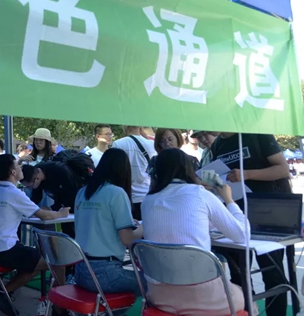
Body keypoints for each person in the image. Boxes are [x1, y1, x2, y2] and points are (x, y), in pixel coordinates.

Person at [141, 148, 247, 315]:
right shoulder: (200, 194)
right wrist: (229, 200)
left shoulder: (147, 201)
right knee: (242, 295)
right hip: (204, 297)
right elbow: (241, 235)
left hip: (160, 296)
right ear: (189, 169)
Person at [210, 133, 291, 316]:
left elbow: (283, 169)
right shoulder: (217, 145)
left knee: (272, 274)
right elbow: (220, 179)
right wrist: (210, 183)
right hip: (236, 216)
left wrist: (246, 174)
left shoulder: (257, 134)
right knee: (239, 275)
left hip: (267, 214)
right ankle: (248, 311)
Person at [0, 154, 69, 316]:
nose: (21, 168)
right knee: (58, 262)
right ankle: (61, 308)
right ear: (13, 172)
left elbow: (32, 210)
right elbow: (43, 215)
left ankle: (4, 292)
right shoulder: (14, 193)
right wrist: (61, 213)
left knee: (35, 265)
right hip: (6, 248)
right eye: (18, 165)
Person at [74, 148, 142, 301]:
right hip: (106, 273)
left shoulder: (82, 192)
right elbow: (127, 239)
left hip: (80, 270)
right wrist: (144, 227)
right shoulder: (117, 193)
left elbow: (96, 221)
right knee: (154, 285)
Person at [20, 153, 92, 237]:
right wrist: (32, 210)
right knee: (65, 229)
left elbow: (70, 197)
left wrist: (51, 209)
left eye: (29, 186)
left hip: (77, 199)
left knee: (73, 230)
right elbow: (36, 197)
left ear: (37, 178)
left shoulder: (61, 171)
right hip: (64, 198)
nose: (30, 189)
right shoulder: (36, 172)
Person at [111, 126, 157, 220]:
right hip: (146, 195)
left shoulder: (118, 144)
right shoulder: (152, 144)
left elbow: (114, 173)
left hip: (126, 197)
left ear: (124, 126)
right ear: (140, 127)